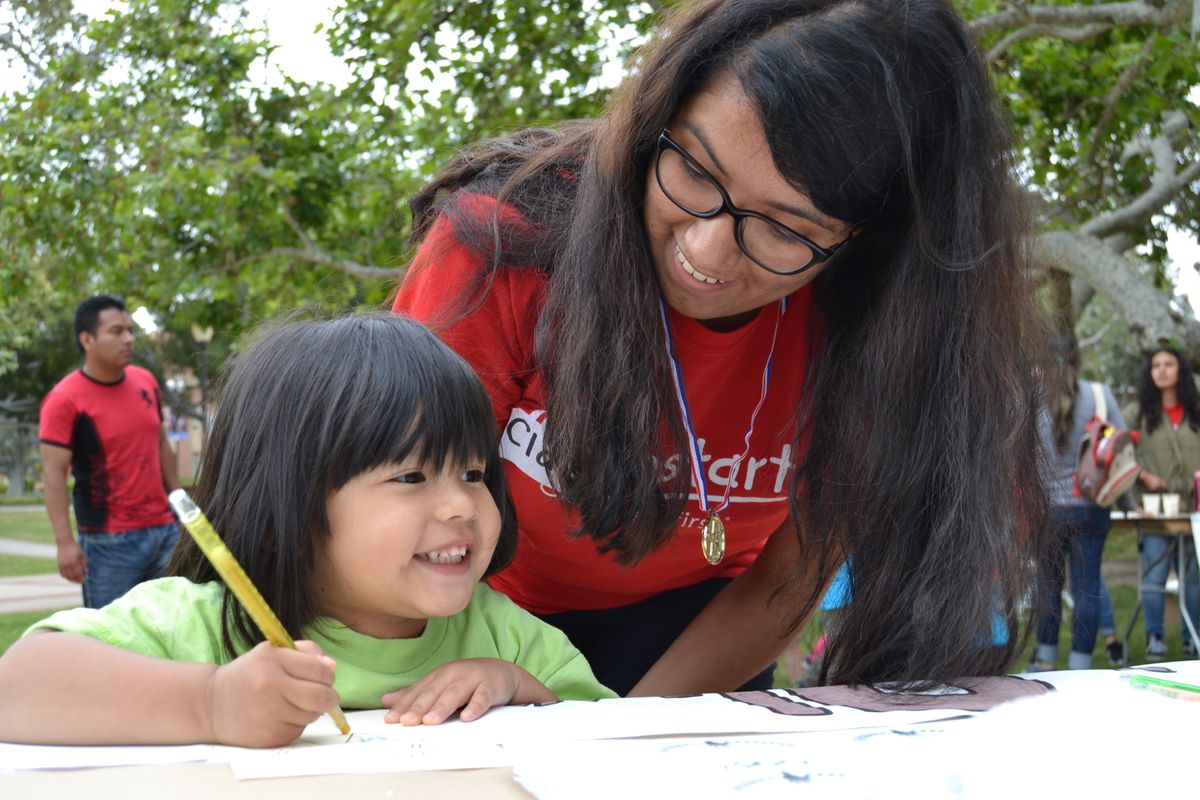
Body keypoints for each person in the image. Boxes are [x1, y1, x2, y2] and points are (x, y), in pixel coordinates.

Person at [392, 0, 1052, 695]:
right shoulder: (506, 242)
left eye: (784, 229)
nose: (705, 252)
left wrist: (623, 731)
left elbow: (789, 574)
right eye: (697, 172)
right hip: (461, 620)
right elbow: (385, 510)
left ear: (868, 243)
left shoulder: (880, 325)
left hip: (697, 637)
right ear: (657, 121)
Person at [0, 314, 614, 748]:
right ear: (284, 508)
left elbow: (613, 745)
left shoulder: (506, 638)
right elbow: (18, 684)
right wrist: (212, 703)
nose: (462, 505)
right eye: (410, 476)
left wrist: (519, 690)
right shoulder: (209, 625)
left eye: (475, 472)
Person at [38, 295, 181, 609]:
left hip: (165, 531)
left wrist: (180, 501)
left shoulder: (145, 382)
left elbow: (160, 443)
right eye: (116, 332)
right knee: (112, 639)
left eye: (130, 330)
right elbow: (53, 476)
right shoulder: (64, 400)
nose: (129, 339)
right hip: (109, 542)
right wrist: (64, 544)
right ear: (87, 339)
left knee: (174, 624)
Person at [1029, 333, 1128, 671]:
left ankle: (1044, 661)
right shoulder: (1100, 395)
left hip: (1047, 513)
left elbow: (1015, 455)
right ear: (1077, 359)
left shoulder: (1030, 399)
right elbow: (1122, 448)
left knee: (1048, 587)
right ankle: (1081, 665)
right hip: (1091, 508)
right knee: (1087, 588)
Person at [1131, 346, 1200, 659]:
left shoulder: (1195, 411)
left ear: (1179, 370)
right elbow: (1121, 460)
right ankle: (1154, 637)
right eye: (1155, 365)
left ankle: (1192, 637)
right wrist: (1143, 475)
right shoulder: (1141, 415)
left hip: (1194, 510)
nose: (1161, 370)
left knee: (1194, 578)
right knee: (1155, 577)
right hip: (1155, 510)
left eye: (1168, 364)